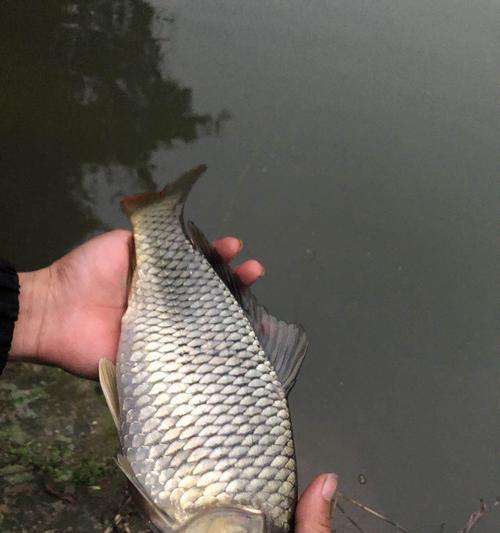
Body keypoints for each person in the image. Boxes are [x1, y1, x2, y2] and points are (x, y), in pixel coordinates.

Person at [2, 230, 337, 533]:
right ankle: (161, 228)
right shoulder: (180, 509)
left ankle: (162, 231)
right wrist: (38, 306)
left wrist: (39, 306)